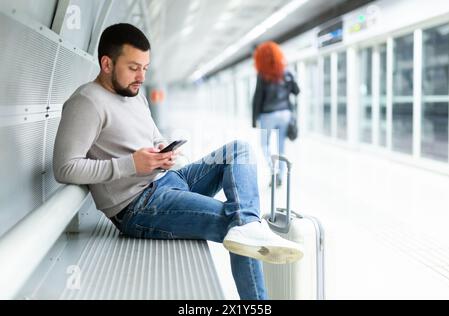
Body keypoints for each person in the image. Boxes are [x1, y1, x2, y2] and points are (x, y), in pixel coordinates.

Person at [53, 24, 303, 300]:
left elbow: (153, 137)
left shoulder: (135, 94)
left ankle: (250, 224)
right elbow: (64, 168)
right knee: (236, 225)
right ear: (107, 63)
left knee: (239, 150)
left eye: (145, 68)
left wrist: (164, 151)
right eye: (134, 67)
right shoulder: (86, 102)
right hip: (139, 205)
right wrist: (131, 165)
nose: (141, 77)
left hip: (169, 180)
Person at [252, 41, 300, 187]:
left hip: (268, 115)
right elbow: (296, 91)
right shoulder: (286, 72)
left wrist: (254, 119)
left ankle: (273, 172)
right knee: (281, 146)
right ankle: (280, 175)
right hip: (285, 113)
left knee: (265, 145)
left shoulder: (263, 74)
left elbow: (258, 97)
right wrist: (291, 77)